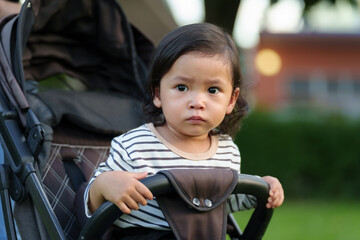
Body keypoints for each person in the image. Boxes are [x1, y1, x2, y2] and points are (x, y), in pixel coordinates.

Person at [84, 22, 284, 238]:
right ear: (158, 93)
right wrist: (104, 185)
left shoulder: (227, 151)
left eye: (213, 90)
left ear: (231, 100)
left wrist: (262, 190)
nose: (197, 101)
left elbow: (223, 201)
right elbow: (93, 208)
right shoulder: (134, 146)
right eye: (182, 88)